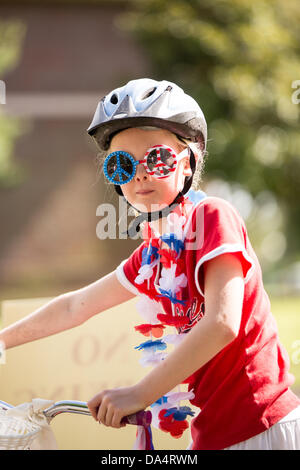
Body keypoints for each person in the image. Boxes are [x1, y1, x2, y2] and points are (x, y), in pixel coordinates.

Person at [1, 78, 300, 450]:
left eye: (157, 159)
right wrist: (2, 341)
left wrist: (140, 393)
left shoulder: (213, 217)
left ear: (187, 163)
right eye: (121, 164)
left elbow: (223, 322)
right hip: (214, 434)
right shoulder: (153, 257)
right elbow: (74, 306)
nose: (140, 173)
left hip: (262, 425)